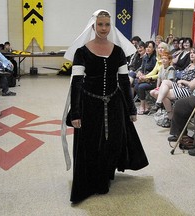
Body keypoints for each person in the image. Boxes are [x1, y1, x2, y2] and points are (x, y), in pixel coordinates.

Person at [62, 9, 149, 203]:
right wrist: (75, 112)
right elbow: (76, 83)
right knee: (91, 142)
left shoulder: (118, 51)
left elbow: (124, 82)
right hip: (89, 103)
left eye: (107, 24)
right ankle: (91, 179)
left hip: (114, 103)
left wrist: (131, 109)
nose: (104, 28)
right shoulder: (82, 52)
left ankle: (105, 174)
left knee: (113, 141)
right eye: (100, 24)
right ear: (93, 26)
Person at [150, 46, 195, 128]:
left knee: (162, 94)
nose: (191, 54)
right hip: (180, 85)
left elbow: (193, 84)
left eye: (194, 53)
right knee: (165, 82)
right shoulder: (189, 65)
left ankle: (171, 117)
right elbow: (182, 77)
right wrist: (180, 82)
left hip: (189, 90)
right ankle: (159, 103)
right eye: (191, 53)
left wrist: (182, 81)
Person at [133, 40, 157, 114]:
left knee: (141, 87)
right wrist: (140, 74)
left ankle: (142, 105)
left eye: (150, 47)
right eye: (146, 47)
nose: (147, 49)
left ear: (153, 49)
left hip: (153, 80)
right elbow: (142, 69)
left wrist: (145, 77)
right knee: (135, 83)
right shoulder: (145, 57)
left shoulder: (155, 58)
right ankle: (146, 105)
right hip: (145, 78)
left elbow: (156, 72)